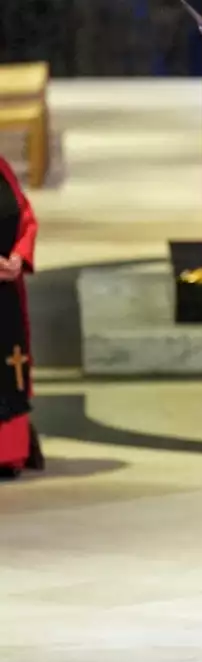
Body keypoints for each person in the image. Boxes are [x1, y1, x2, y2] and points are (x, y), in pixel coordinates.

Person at [0, 154, 39, 478]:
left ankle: (10, 451)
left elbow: (25, 216)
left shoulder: (1, 166)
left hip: (6, 289)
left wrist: (19, 255)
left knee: (10, 366)